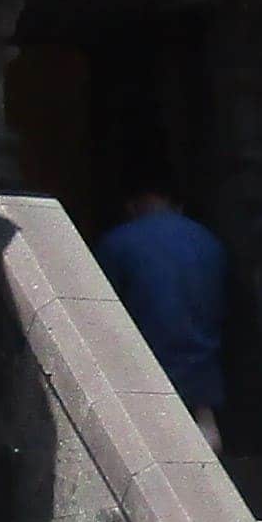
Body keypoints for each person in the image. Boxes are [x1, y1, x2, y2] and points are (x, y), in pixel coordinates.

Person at [97, 182, 231, 439]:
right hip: (202, 365)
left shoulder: (117, 241)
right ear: (177, 206)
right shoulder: (208, 240)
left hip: (144, 364)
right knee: (204, 425)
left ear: (132, 206)